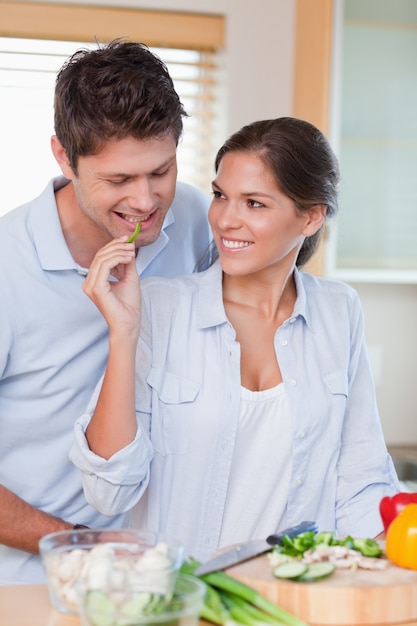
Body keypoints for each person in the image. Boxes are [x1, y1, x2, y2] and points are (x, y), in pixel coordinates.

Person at [70, 117, 400, 563]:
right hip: (178, 600)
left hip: (286, 601)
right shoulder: (161, 307)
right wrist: (123, 333)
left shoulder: (339, 312)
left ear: (311, 215)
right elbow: (109, 492)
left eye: (255, 204)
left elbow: (361, 480)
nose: (225, 219)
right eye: (221, 195)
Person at [0, 39, 212, 584]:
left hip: (162, 571)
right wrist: (82, 545)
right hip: (30, 581)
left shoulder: (192, 218)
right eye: (118, 180)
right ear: (64, 157)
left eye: (160, 171)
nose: (145, 202)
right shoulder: (7, 265)